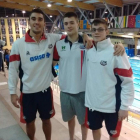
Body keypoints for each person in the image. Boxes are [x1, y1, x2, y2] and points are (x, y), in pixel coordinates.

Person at [8, 8, 93, 140]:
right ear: (29, 22)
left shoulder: (52, 39)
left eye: (40, 19)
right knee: (29, 122)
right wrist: (13, 92)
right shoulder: (18, 44)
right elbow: (13, 69)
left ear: (44, 23)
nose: (37, 22)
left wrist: (86, 36)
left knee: (46, 120)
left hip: (45, 91)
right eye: (34, 19)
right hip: (28, 92)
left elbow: (72, 35)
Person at [53, 12, 125, 140]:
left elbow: (104, 47)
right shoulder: (59, 44)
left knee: (84, 123)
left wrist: (119, 46)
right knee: (70, 120)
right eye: (66, 23)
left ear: (77, 24)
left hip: (83, 91)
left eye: (72, 23)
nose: (69, 26)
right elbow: (52, 62)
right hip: (65, 91)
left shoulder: (89, 44)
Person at [84, 18, 134, 140]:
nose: (96, 32)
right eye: (94, 30)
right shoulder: (89, 50)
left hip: (112, 107)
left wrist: (124, 107)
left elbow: (128, 81)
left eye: (100, 29)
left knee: (113, 135)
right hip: (92, 104)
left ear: (107, 31)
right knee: (95, 130)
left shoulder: (116, 52)